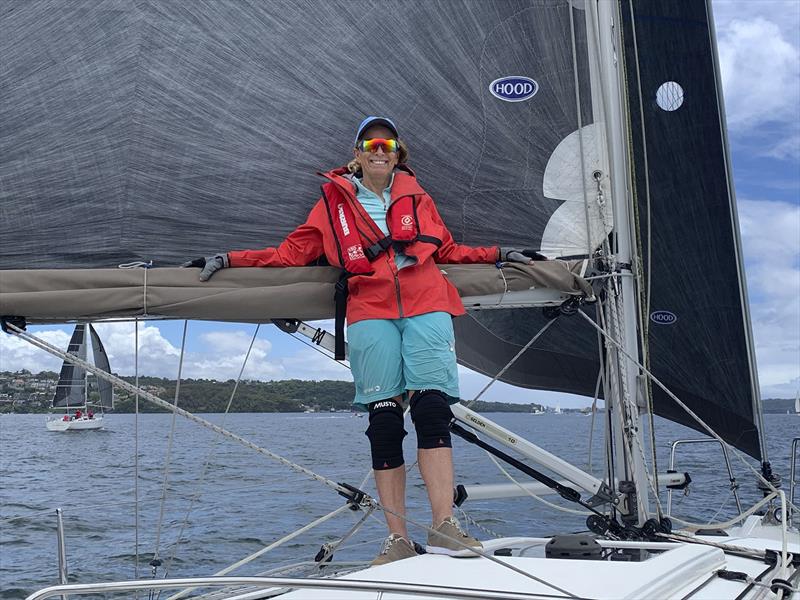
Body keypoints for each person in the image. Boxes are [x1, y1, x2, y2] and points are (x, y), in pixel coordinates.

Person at [184, 116, 536, 565]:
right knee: (385, 421)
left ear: (396, 154)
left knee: (432, 411)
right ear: (357, 153)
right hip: (369, 311)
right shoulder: (332, 203)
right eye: (370, 143)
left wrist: (499, 254)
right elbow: (290, 254)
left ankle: (446, 525)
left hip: (427, 303)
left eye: (386, 144)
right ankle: (397, 539)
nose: (378, 149)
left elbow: (445, 249)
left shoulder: (417, 196)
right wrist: (231, 259)